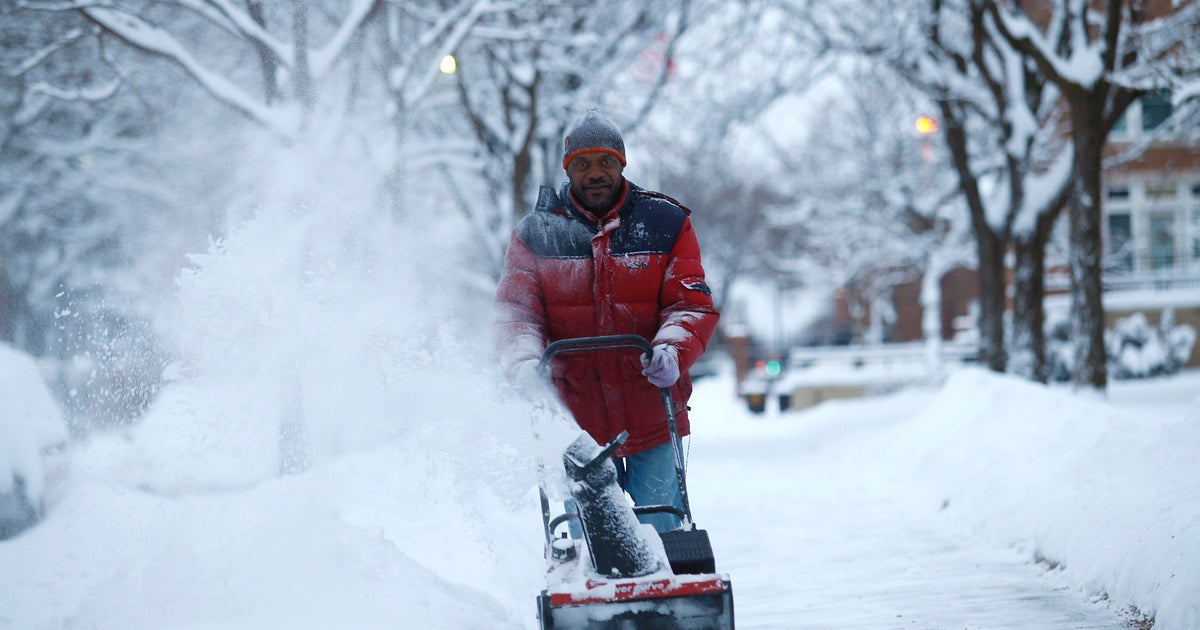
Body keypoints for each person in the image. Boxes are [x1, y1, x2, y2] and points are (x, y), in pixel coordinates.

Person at [495, 109, 719, 533]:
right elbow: (516, 315)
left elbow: (690, 304)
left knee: (665, 531)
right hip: (575, 422)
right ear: (567, 168)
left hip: (652, 413)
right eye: (582, 163)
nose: (594, 173)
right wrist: (524, 363)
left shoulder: (665, 223)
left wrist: (672, 348)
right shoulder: (536, 234)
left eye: (605, 162)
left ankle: (670, 594)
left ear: (622, 163)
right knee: (593, 544)